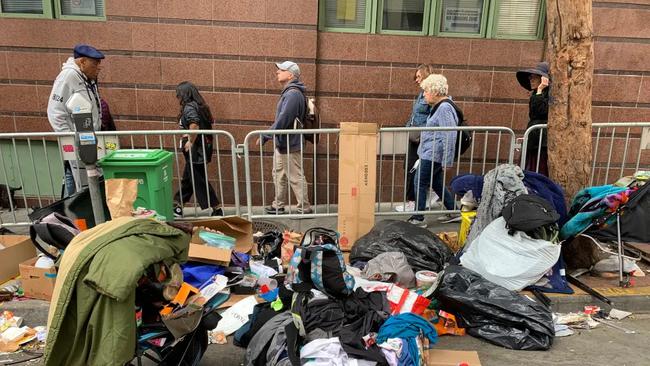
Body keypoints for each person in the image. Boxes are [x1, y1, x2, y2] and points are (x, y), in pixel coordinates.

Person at [47, 44, 104, 197]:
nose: (99, 67)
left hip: (89, 140)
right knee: (80, 181)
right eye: (95, 63)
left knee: (81, 179)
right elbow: (55, 112)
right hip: (78, 141)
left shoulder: (86, 78)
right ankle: (74, 215)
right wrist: (70, 139)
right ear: (82, 61)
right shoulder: (68, 76)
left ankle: (70, 215)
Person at [257, 61, 312, 215]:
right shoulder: (290, 92)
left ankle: (304, 208)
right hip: (284, 142)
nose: (277, 72)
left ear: (291, 75)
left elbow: (284, 119)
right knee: (279, 174)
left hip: (290, 143)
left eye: (281, 70)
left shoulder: (293, 94)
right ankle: (278, 205)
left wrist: (266, 135)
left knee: (295, 176)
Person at [407, 74, 459, 228]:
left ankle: (419, 217)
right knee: (436, 183)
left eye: (426, 91)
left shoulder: (443, 108)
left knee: (419, 182)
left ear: (435, 91)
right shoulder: (441, 107)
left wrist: (447, 161)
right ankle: (454, 211)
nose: (424, 94)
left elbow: (449, 134)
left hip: (432, 154)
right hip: (432, 153)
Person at [172, 81, 222, 217]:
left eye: (178, 95)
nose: (178, 97)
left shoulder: (189, 107)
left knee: (198, 179)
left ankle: (216, 207)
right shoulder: (200, 106)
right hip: (201, 149)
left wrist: (189, 141)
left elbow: (194, 125)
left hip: (195, 150)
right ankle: (177, 205)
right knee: (189, 178)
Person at [397, 64, 435, 212]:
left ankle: (413, 201)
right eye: (416, 77)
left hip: (421, 138)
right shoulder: (422, 94)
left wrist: (423, 134)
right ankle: (427, 195)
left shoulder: (431, 95)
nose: (416, 80)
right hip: (414, 137)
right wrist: (407, 128)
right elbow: (416, 116)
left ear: (426, 76)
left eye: (419, 76)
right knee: (410, 167)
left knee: (412, 168)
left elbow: (433, 118)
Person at [516, 61, 550, 176]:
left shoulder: (548, 94)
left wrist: (540, 90)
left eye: (533, 77)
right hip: (534, 141)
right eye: (530, 77)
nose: (530, 79)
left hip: (542, 143)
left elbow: (541, 111)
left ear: (543, 79)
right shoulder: (536, 94)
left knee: (538, 171)